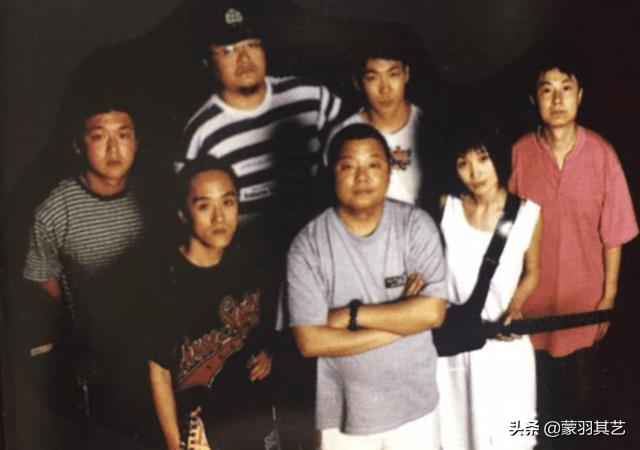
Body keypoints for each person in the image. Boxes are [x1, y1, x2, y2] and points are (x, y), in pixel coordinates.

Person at [286, 123, 448, 450]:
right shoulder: (308, 245)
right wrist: (402, 322)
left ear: (390, 170)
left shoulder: (416, 226)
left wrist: (350, 315)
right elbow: (309, 341)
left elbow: (432, 313)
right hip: (344, 417)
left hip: (414, 409)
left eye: (373, 165)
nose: (362, 177)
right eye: (349, 166)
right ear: (331, 172)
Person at [509, 53, 638, 428]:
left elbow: (614, 234)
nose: (557, 99)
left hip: (585, 306)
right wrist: (510, 298)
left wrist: (608, 298)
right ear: (534, 99)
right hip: (529, 307)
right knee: (534, 411)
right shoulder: (518, 154)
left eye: (566, 88)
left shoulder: (602, 154)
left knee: (581, 413)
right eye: (547, 90)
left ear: (580, 95)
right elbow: (502, 235)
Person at [21, 99, 148, 445]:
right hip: (101, 355)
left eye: (123, 135)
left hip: (154, 343)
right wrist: (86, 307)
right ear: (78, 144)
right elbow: (42, 275)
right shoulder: (53, 211)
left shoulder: (154, 197)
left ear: (137, 142)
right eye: (99, 136)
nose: (113, 148)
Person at [148, 158, 278, 450]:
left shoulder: (250, 261)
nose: (219, 217)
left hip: (253, 418)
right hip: (199, 431)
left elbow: (263, 323)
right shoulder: (164, 280)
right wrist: (174, 444)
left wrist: (269, 350)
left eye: (228, 202)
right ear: (183, 213)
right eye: (204, 205)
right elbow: (159, 372)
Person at [180, 0, 343, 226]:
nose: (244, 59)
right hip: (246, 244)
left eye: (252, 45)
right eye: (228, 51)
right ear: (208, 63)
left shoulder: (312, 97)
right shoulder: (200, 132)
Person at [436, 126, 541, 449]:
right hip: (455, 347)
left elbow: (533, 272)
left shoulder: (527, 213)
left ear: (498, 158)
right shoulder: (446, 207)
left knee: (509, 439)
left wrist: (513, 308)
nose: (475, 172)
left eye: (483, 159)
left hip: (504, 345)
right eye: (463, 162)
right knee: (457, 436)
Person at [325, 32, 431, 207]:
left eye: (393, 75)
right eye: (372, 78)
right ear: (358, 82)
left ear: (406, 74)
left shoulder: (430, 125)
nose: (385, 89)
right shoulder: (342, 135)